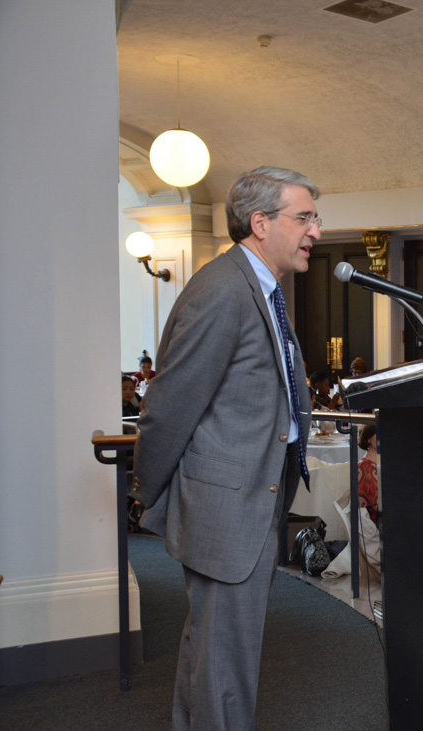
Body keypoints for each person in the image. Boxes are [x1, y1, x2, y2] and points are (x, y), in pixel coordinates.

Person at [134, 165, 320, 728]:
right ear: (260, 223)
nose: (316, 230)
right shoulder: (222, 290)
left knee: (215, 657)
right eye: (304, 217)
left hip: (250, 498)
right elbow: (168, 407)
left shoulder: (261, 288)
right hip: (224, 507)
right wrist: (153, 492)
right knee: (225, 664)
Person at [356, 424, 379, 522]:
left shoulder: (382, 460)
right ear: (368, 439)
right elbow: (377, 507)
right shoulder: (365, 467)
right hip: (378, 522)